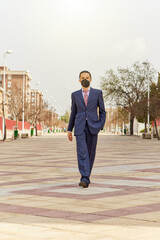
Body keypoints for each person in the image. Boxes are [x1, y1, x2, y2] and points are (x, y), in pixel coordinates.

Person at [67, 70, 106, 188]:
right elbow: (73, 112)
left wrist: (100, 125)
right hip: (79, 128)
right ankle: (84, 178)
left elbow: (103, 111)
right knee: (82, 152)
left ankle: (86, 177)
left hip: (93, 127)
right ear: (79, 80)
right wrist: (69, 129)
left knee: (90, 153)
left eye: (87, 77)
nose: (85, 79)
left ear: (90, 79)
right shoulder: (75, 95)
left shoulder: (97, 93)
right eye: (82, 77)